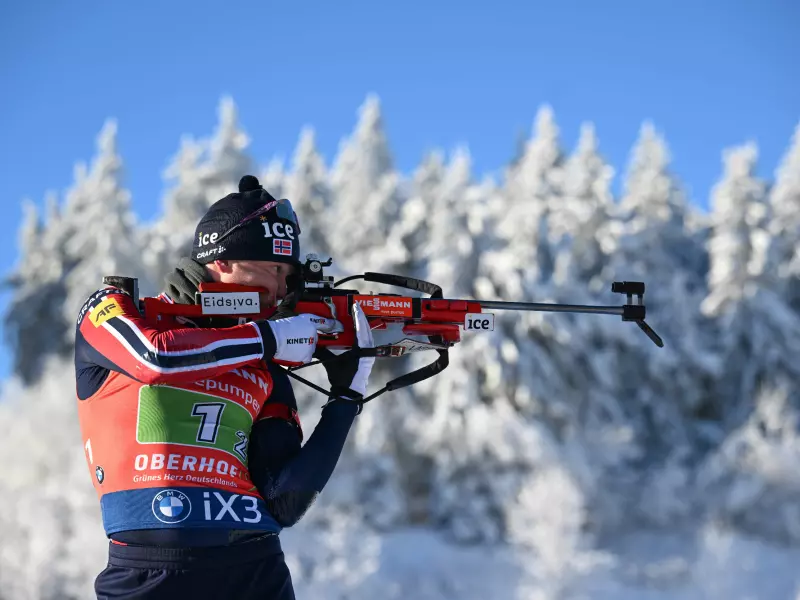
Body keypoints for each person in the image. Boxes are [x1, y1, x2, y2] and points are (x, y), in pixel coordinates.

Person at [74, 175, 375, 599]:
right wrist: (267, 337)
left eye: (288, 278)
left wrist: (345, 398)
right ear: (225, 260)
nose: (281, 289)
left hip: (256, 571)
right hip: (149, 575)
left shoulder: (260, 359)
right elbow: (155, 356)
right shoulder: (116, 309)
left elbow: (284, 502)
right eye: (274, 269)